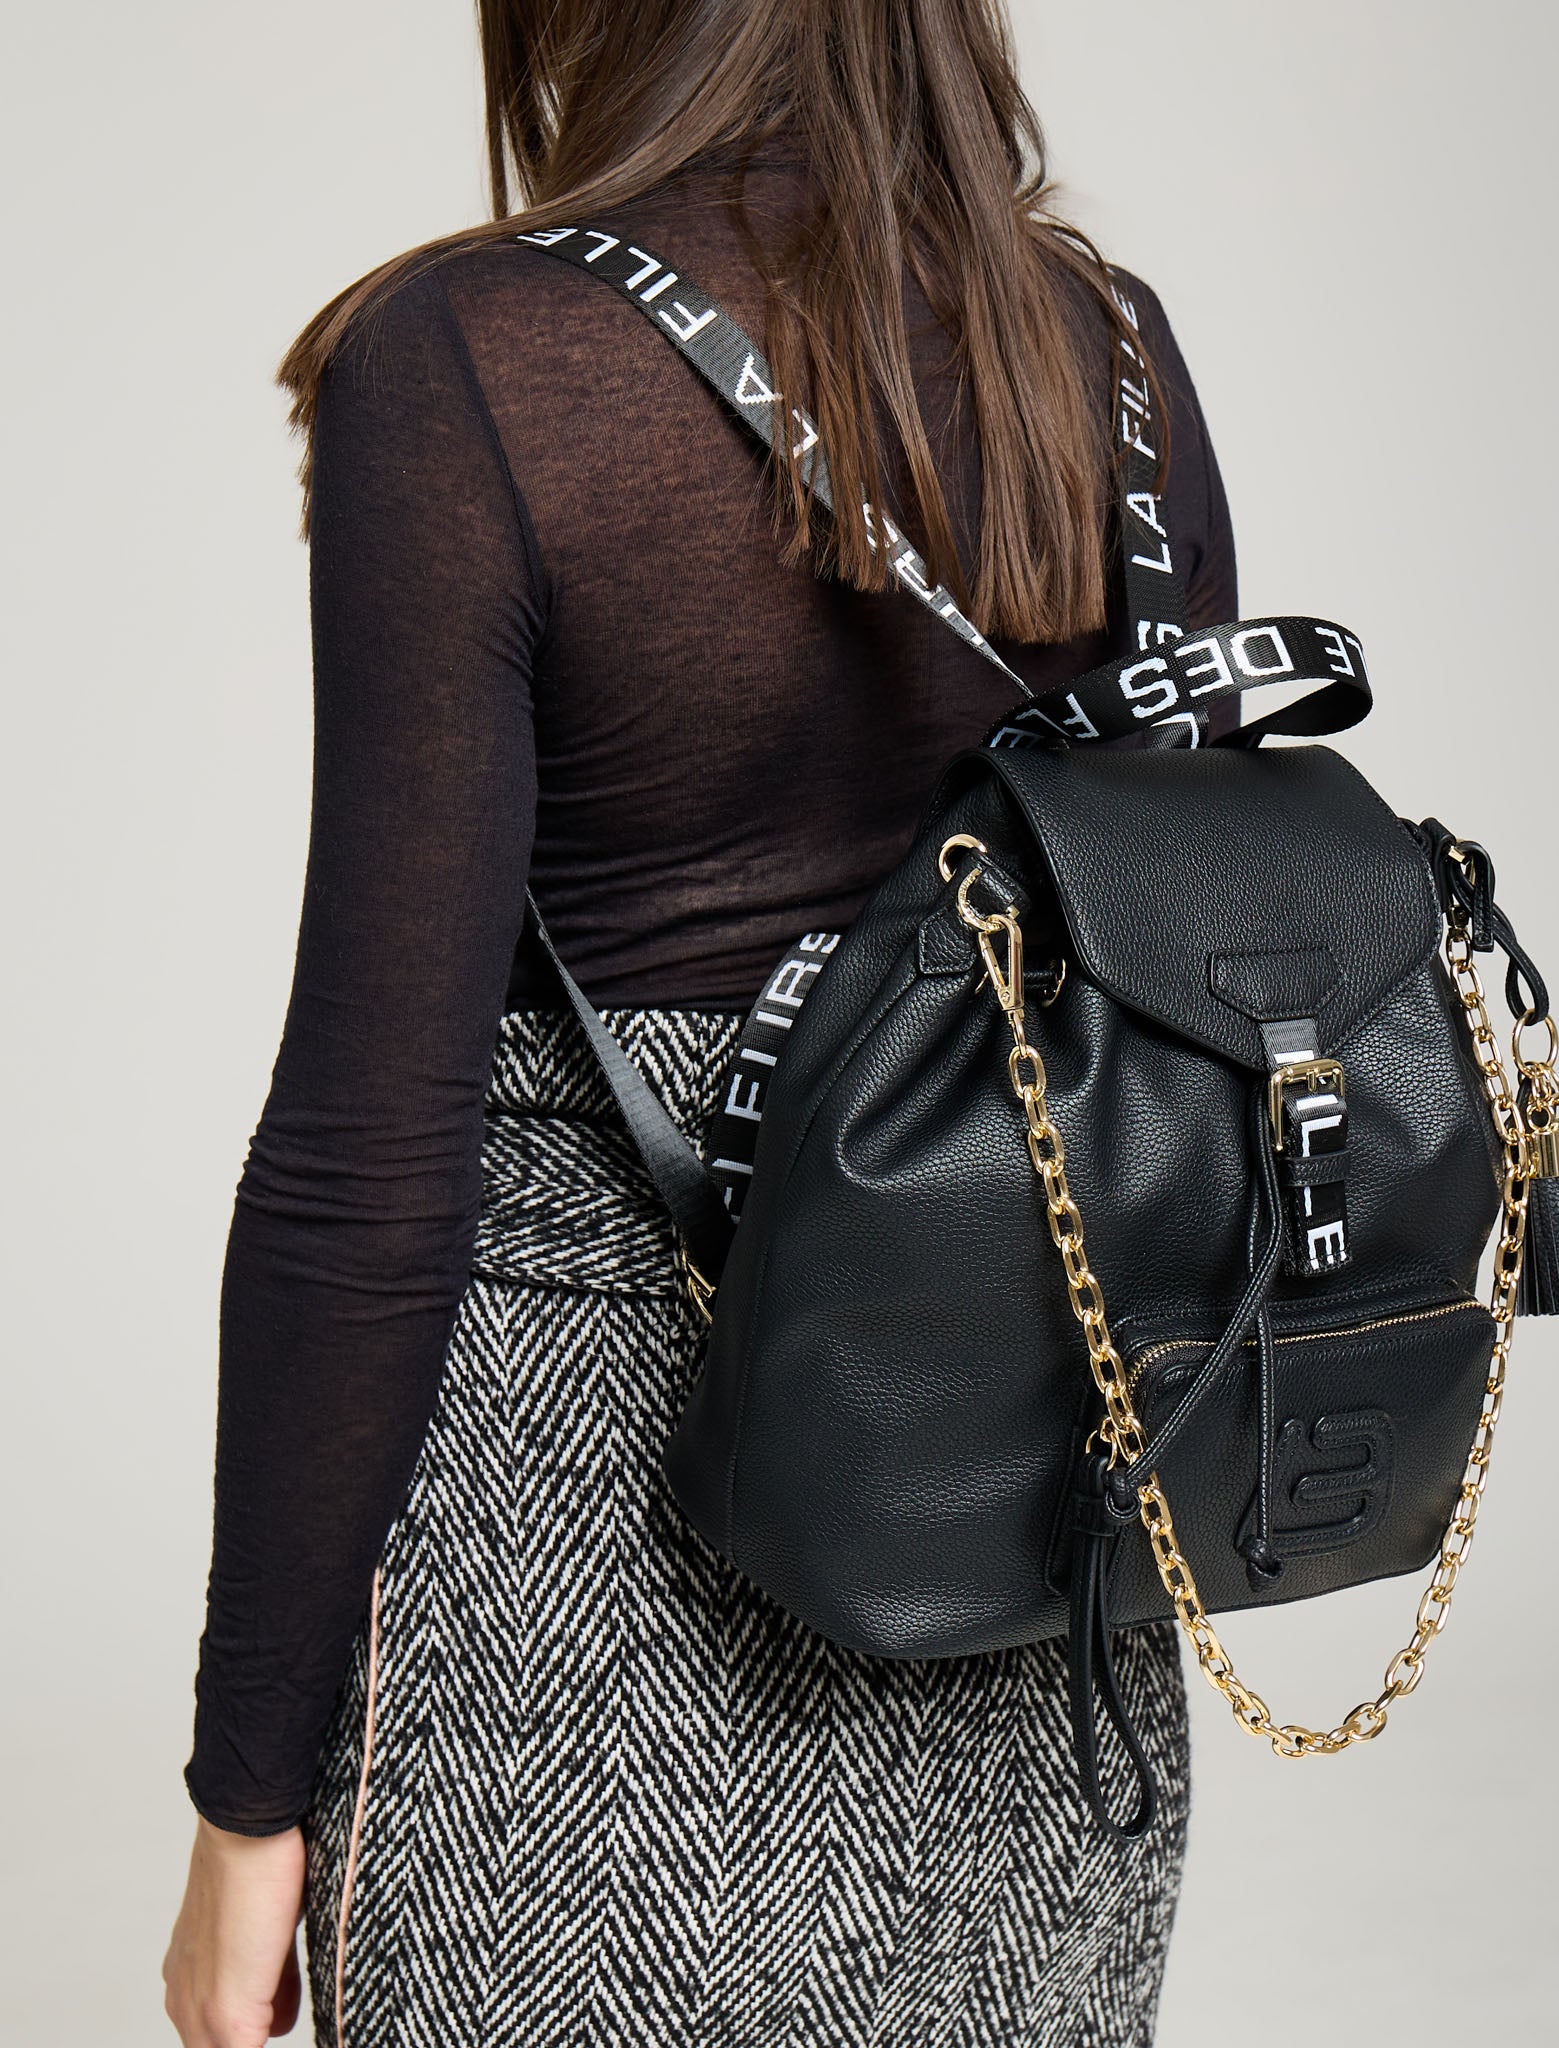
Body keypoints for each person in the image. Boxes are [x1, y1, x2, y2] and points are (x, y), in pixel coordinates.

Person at [159, 3, 1237, 2043]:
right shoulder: (1098, 352)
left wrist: (246, 1790)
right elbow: (1157, 1022)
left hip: (576, 1579)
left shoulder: (473, 359)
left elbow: (366, 1157)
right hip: (1023, 1575)